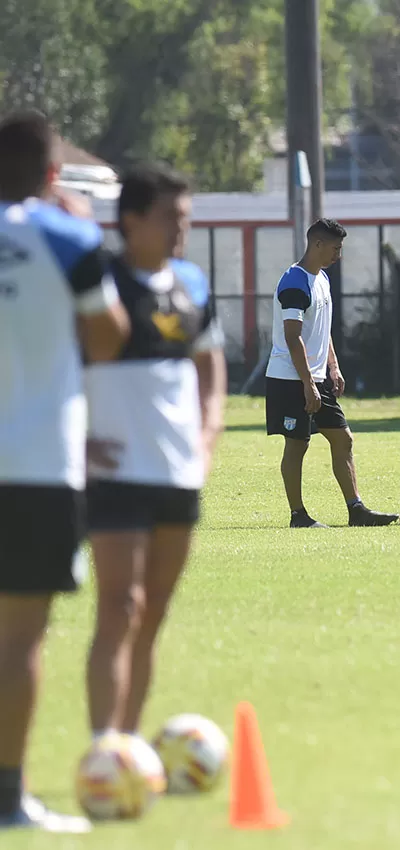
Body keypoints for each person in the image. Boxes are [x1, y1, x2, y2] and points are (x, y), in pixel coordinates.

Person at [0, 110, 127, 833]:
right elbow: (108, 338)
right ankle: (8, 800)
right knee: (19, 640)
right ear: (51, 175)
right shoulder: (69, 236)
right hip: (35, 465)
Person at [83, 164, 226, 744]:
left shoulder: (191, 283)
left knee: (152, 618)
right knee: (120, 607)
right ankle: (104, 749)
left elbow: (210, 374)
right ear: (131, 222)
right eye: (170, 218)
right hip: (115, 474)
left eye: (185, 219)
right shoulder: (99, 288)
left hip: (177, 473)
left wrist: (207, 440)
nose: (180, 230)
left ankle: (131, 743)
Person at [264, 218, 396, 528]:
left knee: (343, 439)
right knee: (298, 444)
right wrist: (308, 384)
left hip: (317, 377)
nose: (339, 255)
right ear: (317, 244)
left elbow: (321, 331)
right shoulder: (294, 282)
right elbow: (292, 336)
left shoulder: (321, 278)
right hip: (290, 378)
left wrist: (332, 366)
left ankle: (356, 510)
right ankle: (298, 516)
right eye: (335, 248)